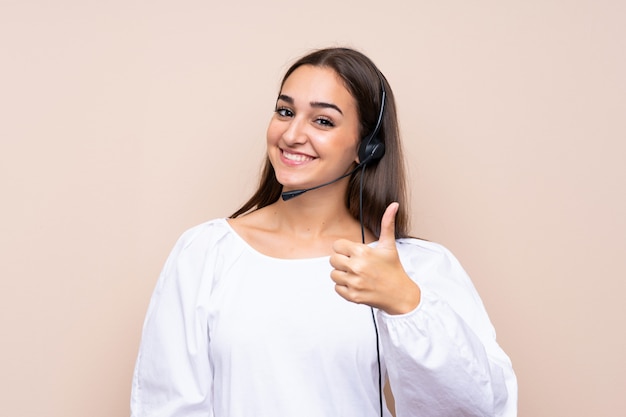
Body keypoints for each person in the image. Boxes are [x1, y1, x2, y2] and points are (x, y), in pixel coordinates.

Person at [130, 47, 517, 417]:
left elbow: (481, 407)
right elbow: (166, 406)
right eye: (285, 111)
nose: (292, 134)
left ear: (366, 147)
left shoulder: (413, 267)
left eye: (323, 120)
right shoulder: (205, 254)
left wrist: (407, 303)